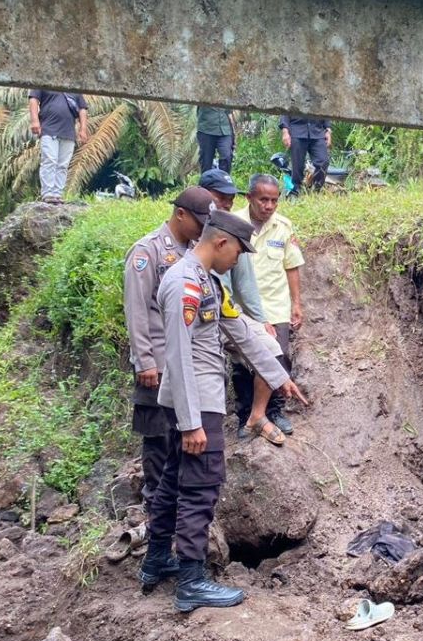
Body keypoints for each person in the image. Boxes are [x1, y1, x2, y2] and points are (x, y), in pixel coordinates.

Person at [142, 210, 308, 612]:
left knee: (171, 483)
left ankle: (158, 559)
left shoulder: (207, 283)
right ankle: (192, 581)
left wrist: (278, 374)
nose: (239, 260)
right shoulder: (184, 284)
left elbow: (240, 331)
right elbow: (178, 356)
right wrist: (190, 423)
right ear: (221, 243)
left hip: (196, 400)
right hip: (196, 403)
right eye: (238, 251)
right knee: (201, 485)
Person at [123, 187, 215, 532]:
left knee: (179, 436)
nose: (202, 229)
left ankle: (174, 509)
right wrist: (144, 361)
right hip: (156, 363)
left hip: (181, 364)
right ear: (180, 214)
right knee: (157, 439)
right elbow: (136, 310)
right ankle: (154, 508)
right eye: (198, 221)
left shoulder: (192, 253)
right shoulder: (147, 252)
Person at [233, 174, 303, 436]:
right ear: (249, 197)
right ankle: (245, 416)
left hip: (274, 306)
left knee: (278, 358)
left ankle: (274, 411)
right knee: (242, 363)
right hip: (242, 309)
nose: (269, 206)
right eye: (263, 199)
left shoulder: (283, 227)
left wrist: (296, 304)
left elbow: (291, 265)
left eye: (274, 200)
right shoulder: (234, 224)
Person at [28, 89, 90, 203]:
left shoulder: (73, 87)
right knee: (49, 160)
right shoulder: (44, 82)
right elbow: (33, 100)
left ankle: (57, 194)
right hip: (49, 129)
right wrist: (34, 121)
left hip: (68, 132)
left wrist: (83, 129)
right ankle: (48, 193)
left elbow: (82, 109)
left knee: (63, 165)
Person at [278, 114, 331, 194]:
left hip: (317, 131)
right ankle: (296, 191)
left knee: (323, 161)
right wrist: (285, 132)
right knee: (297, 165)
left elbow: (325, 108)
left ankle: (316, 190)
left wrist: (328, 130)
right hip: (297, 131)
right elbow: (285, 111)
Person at [196, 106, 236, 174]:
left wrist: (233, 129)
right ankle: (206, 182)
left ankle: (223, 181)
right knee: (206, 162)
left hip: (225, 128)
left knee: (227, 156)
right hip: (207, 129)